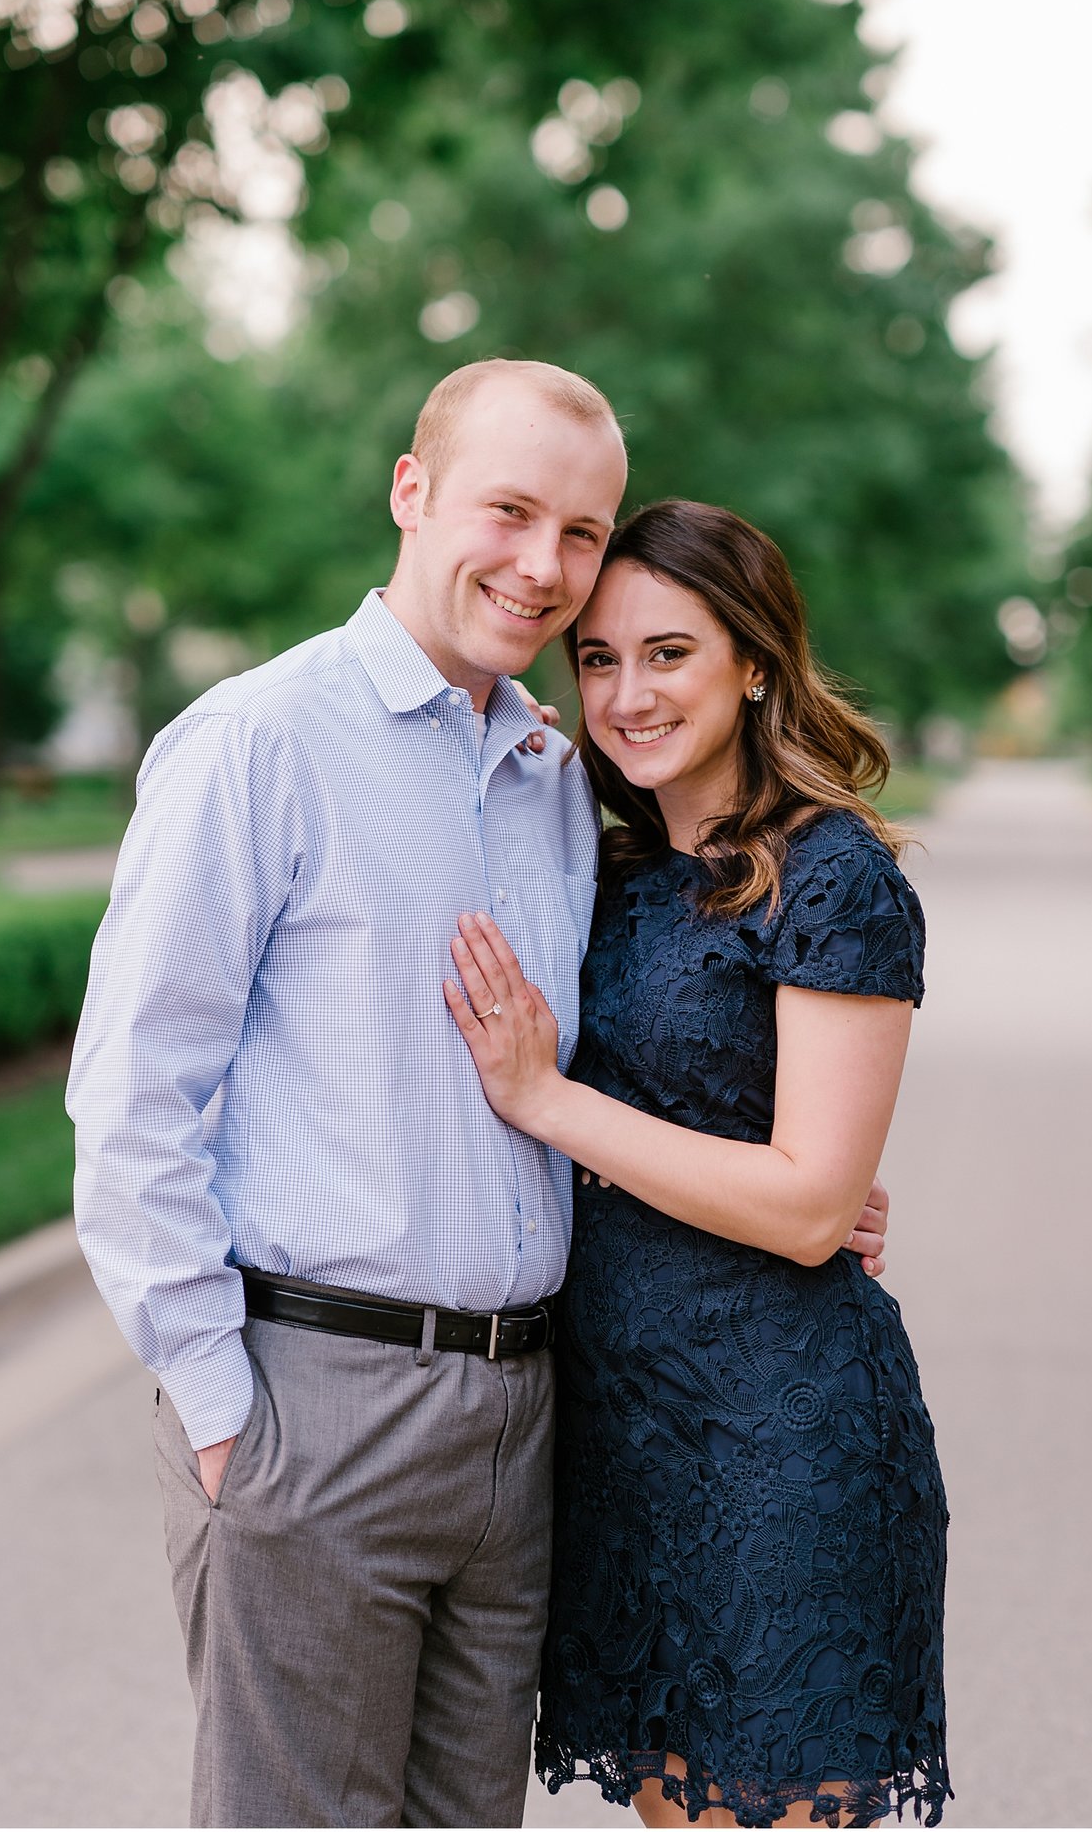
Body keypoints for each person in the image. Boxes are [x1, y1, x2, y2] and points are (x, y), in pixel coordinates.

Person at [65, 360, 891, 1826]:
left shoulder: (560, 783)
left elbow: (602, 1070)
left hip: (528, 1417)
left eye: (582, 533)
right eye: (510, 511)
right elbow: (134, 1098)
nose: (545, 566)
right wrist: (218, 1413)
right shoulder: (260, 743)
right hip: (315, 1402)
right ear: (412, 491)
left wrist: (797, 1193)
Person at [442, 500, 948, 1827]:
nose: (627, 692)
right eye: (598, 659)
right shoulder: (604, 867)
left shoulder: (833, 877)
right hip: (616, 1428)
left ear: (757, 661)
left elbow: (807, 1206)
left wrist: (547, 1101)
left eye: (668, 653)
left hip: (775, 1435)